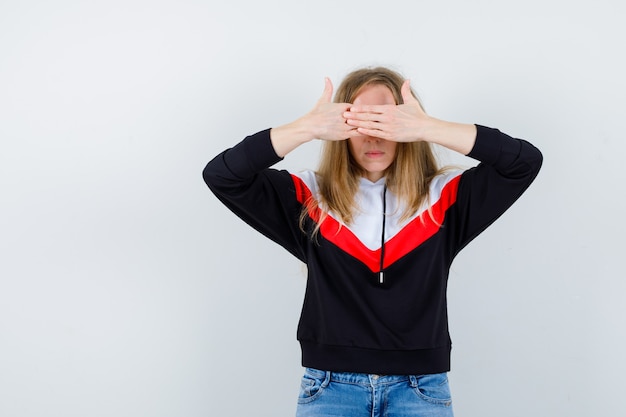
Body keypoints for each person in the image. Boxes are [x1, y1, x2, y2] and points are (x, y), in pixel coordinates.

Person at [203, 67, 542, 417]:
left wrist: (429, 128)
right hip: (329, 388)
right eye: (359, 122)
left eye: (387, 121)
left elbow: (524, 162)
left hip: (420, 389)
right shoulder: (308, 198)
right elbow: (222, 175)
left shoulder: (446, 200)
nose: (374, 136)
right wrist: (306, 128)